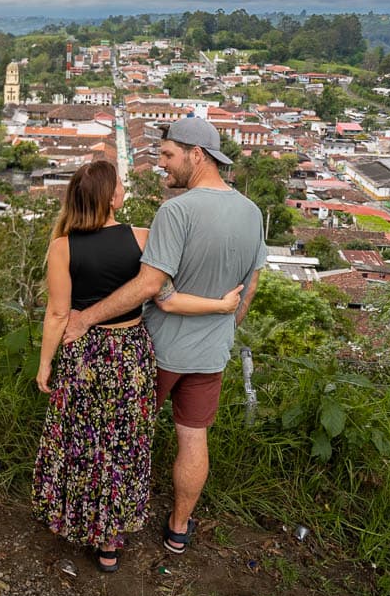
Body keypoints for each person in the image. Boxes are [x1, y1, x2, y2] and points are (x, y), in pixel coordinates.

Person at [63, 118, 266, 556]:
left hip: (156, 349)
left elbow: (149, 286)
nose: (162, 166)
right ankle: (178, 527)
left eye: (169, 155)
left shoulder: (177, 211)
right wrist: (225, 327)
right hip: (211, 352)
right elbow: (249, 287)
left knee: (120, 438)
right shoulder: (252, 213)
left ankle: (110, 536)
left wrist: (85, 318)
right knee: (194, 439)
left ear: (198, 155)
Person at [32, 159, 242, 573]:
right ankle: (110, 542)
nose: (124, 190)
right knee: (122, 446)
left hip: (84, 354)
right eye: (121, 185)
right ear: (111, 198)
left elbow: (57, 314)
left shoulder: (63, 246)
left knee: (82, 443)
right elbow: (166, 297)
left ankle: (76, 521)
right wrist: (220, 305)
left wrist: (45, 364)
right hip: (130, 354)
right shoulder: (143, 239)